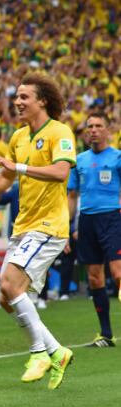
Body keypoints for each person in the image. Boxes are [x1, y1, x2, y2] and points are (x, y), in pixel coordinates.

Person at [0, 73, 76, 390]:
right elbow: (5, 180)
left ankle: (38, 352)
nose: (18, 102)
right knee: (7, 297)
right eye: (16, 97)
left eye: (24, 97)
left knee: (10, 284)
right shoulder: (19, 136)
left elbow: (61, 172)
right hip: (24, 226)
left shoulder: (59, 132)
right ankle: (56, 351)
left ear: (42, 100)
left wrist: (19, 168)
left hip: (49, 224)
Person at [67, 113, 121, 347]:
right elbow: (71, 195)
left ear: (108, 130)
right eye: (90, 126)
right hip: (87, 220)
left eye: (99, 126)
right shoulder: (78, 161)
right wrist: (67, 227)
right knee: (94, 277)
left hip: (113, 218)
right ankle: (106, 334)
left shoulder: (118, 157)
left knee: (118, 273)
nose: (94, 130)